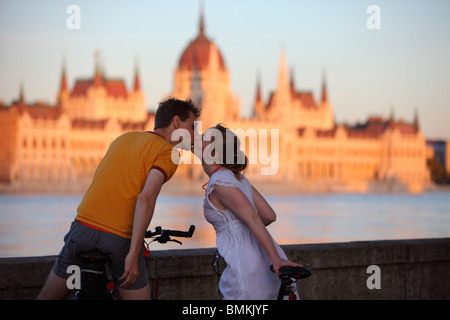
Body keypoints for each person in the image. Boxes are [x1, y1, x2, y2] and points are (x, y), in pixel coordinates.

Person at [37, 98, 200, 300]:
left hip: (81, 228)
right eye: (192, 127)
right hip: (118, 237)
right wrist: (133, 253)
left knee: (47, 297)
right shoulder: (169, 153)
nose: (195, 134)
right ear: (176, 122)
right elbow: (146, 198)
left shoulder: (123, 138)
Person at [194, 123, 302, 299]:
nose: (198, 139)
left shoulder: (220, 182)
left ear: (213, 152)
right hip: (265, 260)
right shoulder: (238, 178)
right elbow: (269, 215)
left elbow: (253, 217)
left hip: (247, 268)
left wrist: (277, 260)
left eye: (203, 138)